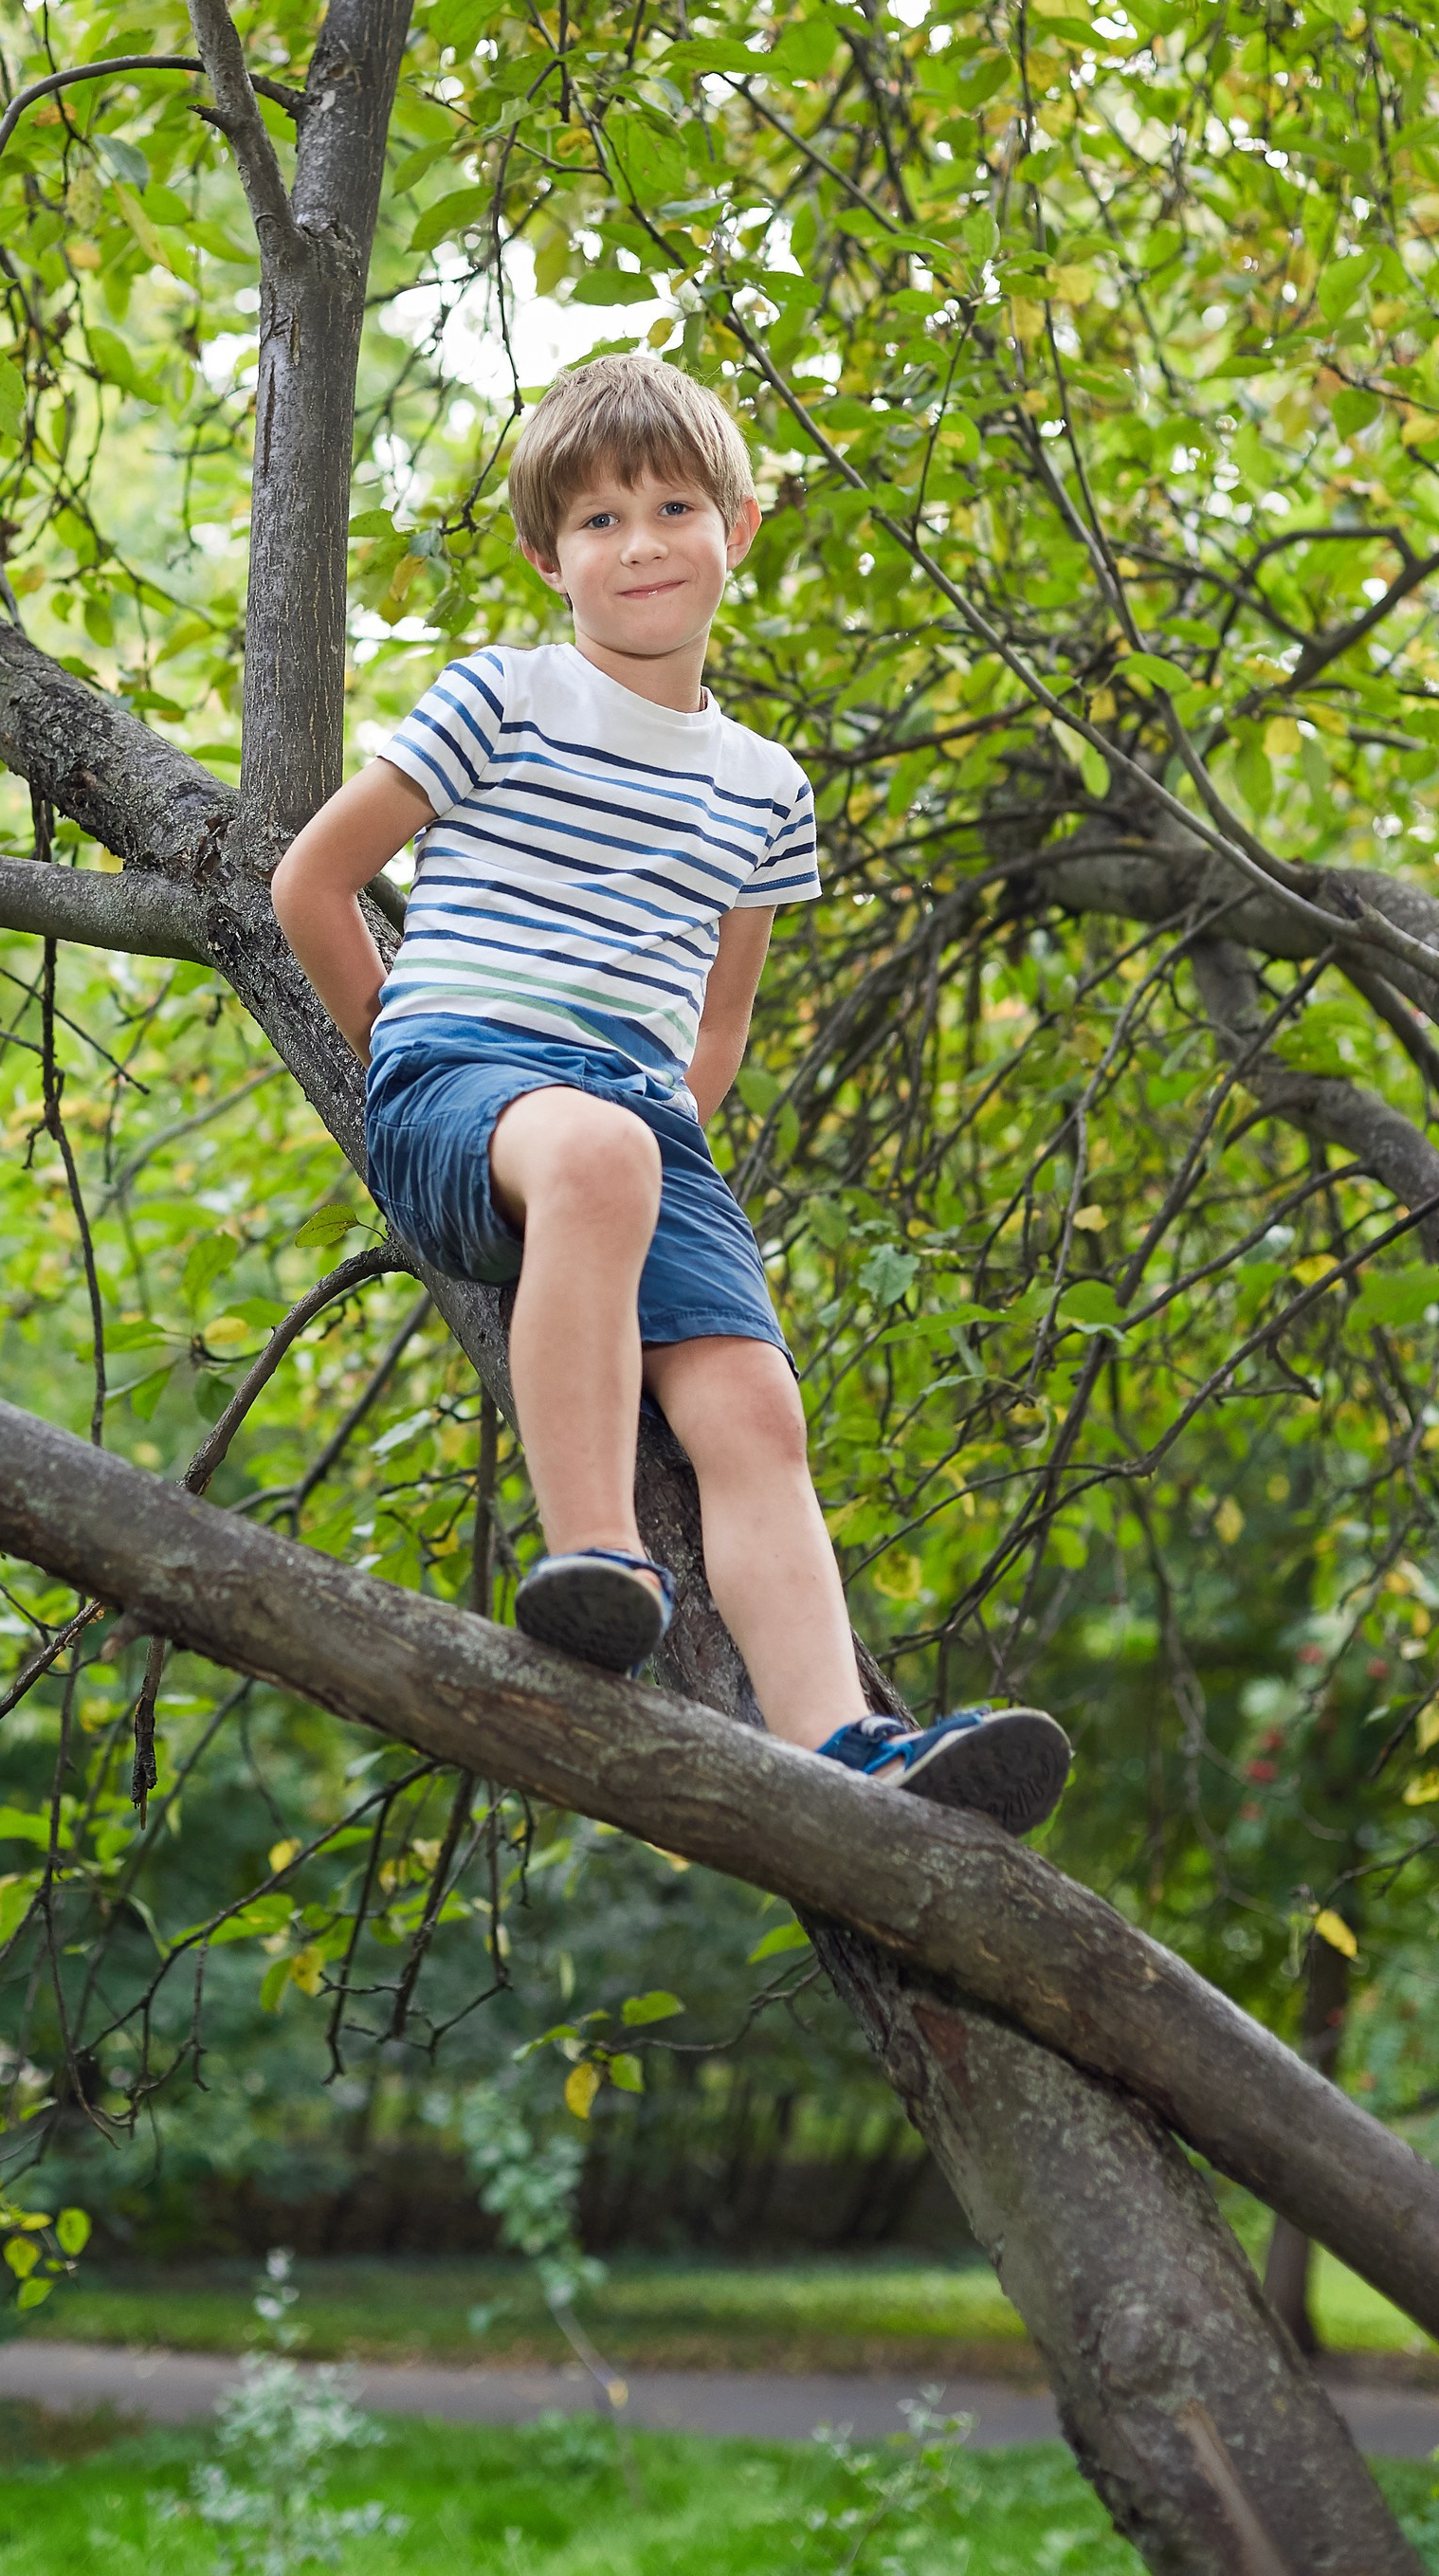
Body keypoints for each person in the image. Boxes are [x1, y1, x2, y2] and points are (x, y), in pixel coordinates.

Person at [271, 353, 1068, 1835]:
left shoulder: (765, 784)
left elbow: (721, 1014)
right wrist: (397, 1046)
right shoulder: (501, 696)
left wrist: (667, 1133)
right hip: (469, 1074)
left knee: (755, 1410)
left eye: (672, 506)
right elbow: (312, 880)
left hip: (640, 1126)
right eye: (596, 521)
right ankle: (596, 1560)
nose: (638, 544)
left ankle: (846, 1745)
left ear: (740, 529)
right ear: (545, 556)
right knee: (597, 1161)